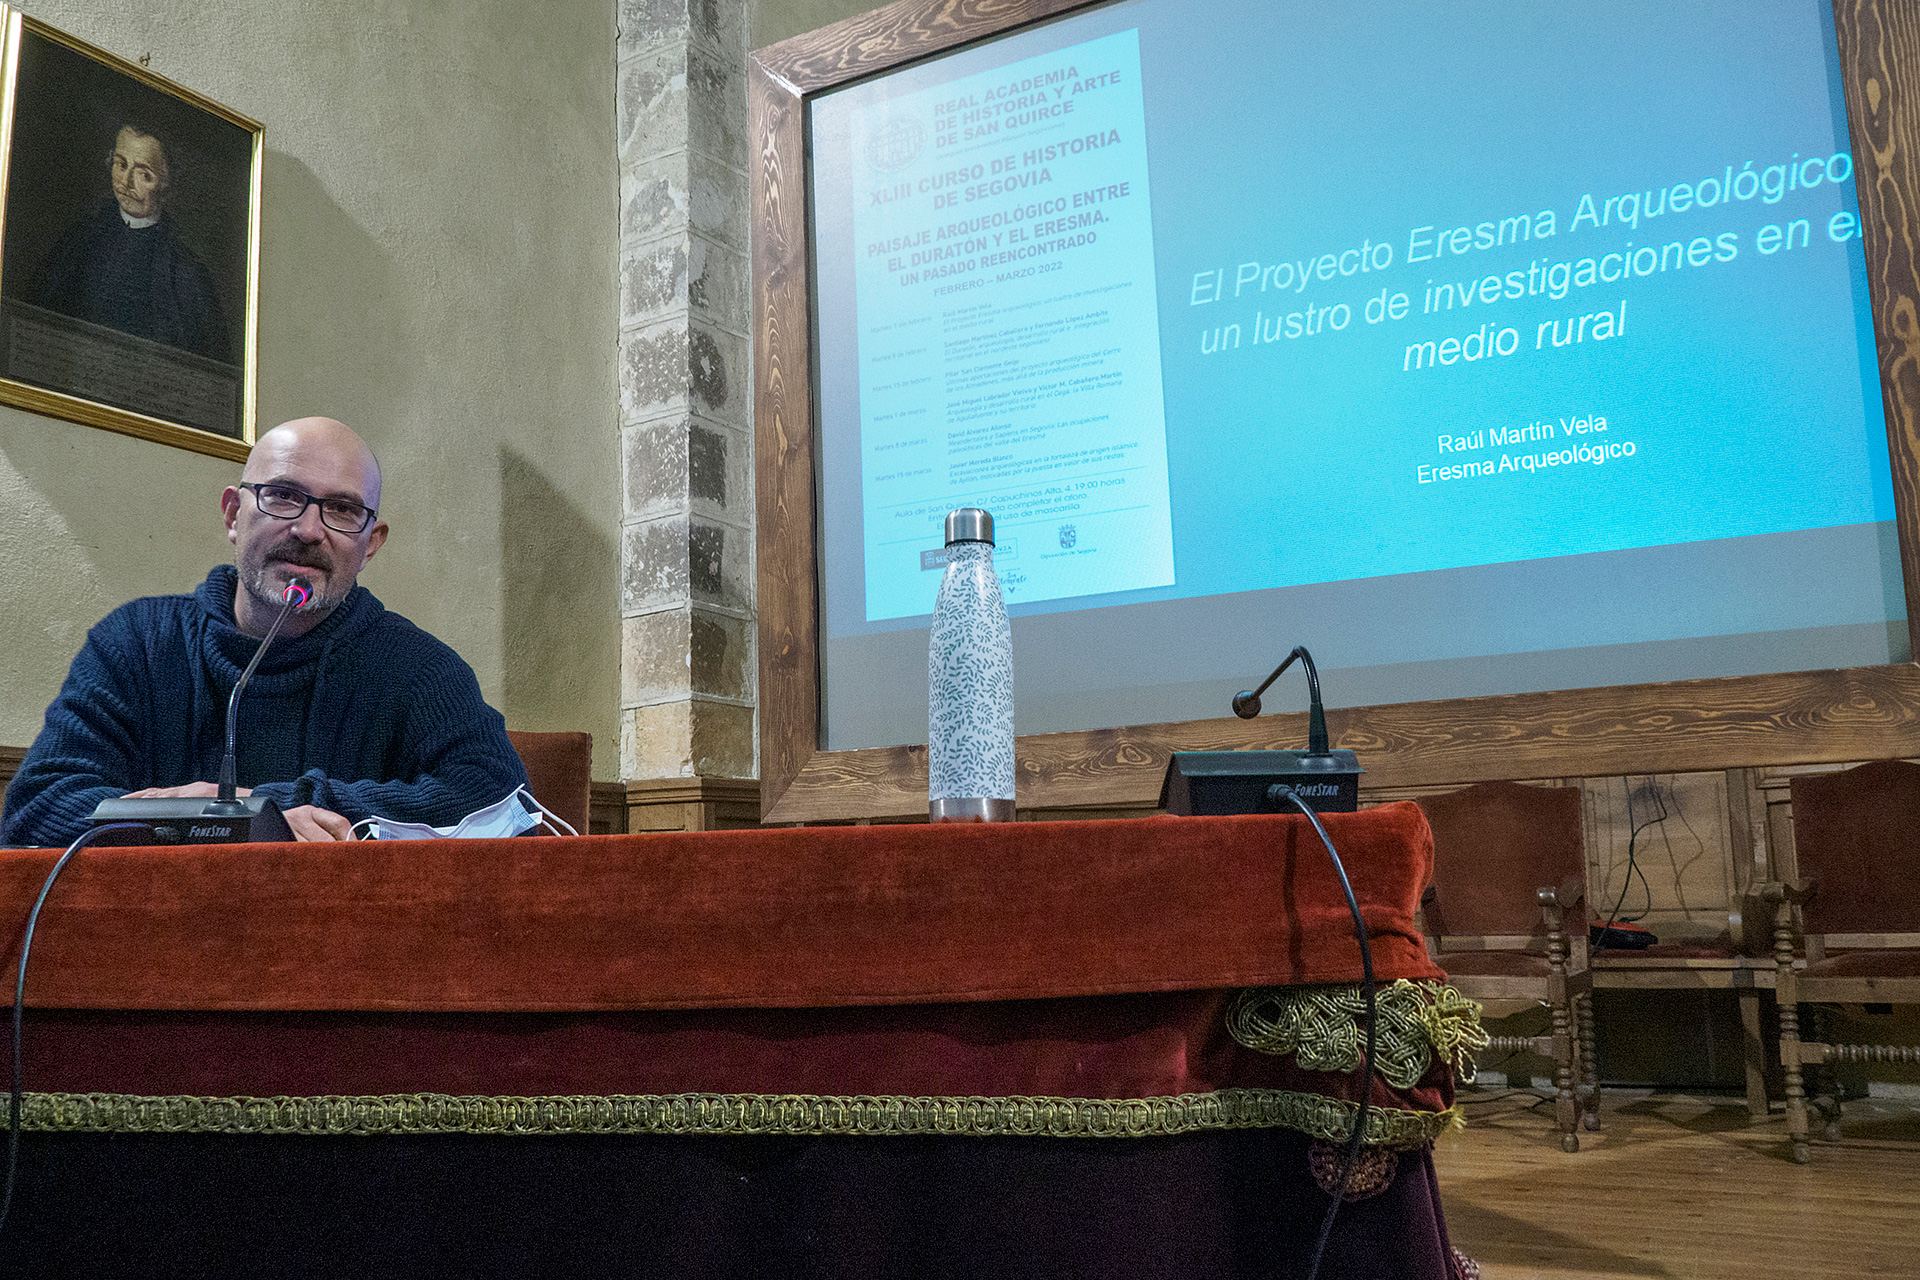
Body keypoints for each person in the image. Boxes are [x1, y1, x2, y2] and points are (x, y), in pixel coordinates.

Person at [0, 417, 529, 846]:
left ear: (370, 544)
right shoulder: (135, 643)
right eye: (282, 496)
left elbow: (501, 799)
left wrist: (268, 809)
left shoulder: (419, 667)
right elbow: (36, 808)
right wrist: (206, 816)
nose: (308, 530)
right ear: (234, 514)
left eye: (342, 509)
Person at [23, 123, 229, 362]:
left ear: (165, 183)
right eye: (121, 165)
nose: (126, 183)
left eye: (144, 175)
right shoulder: (81, 238)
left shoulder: (186, 271)